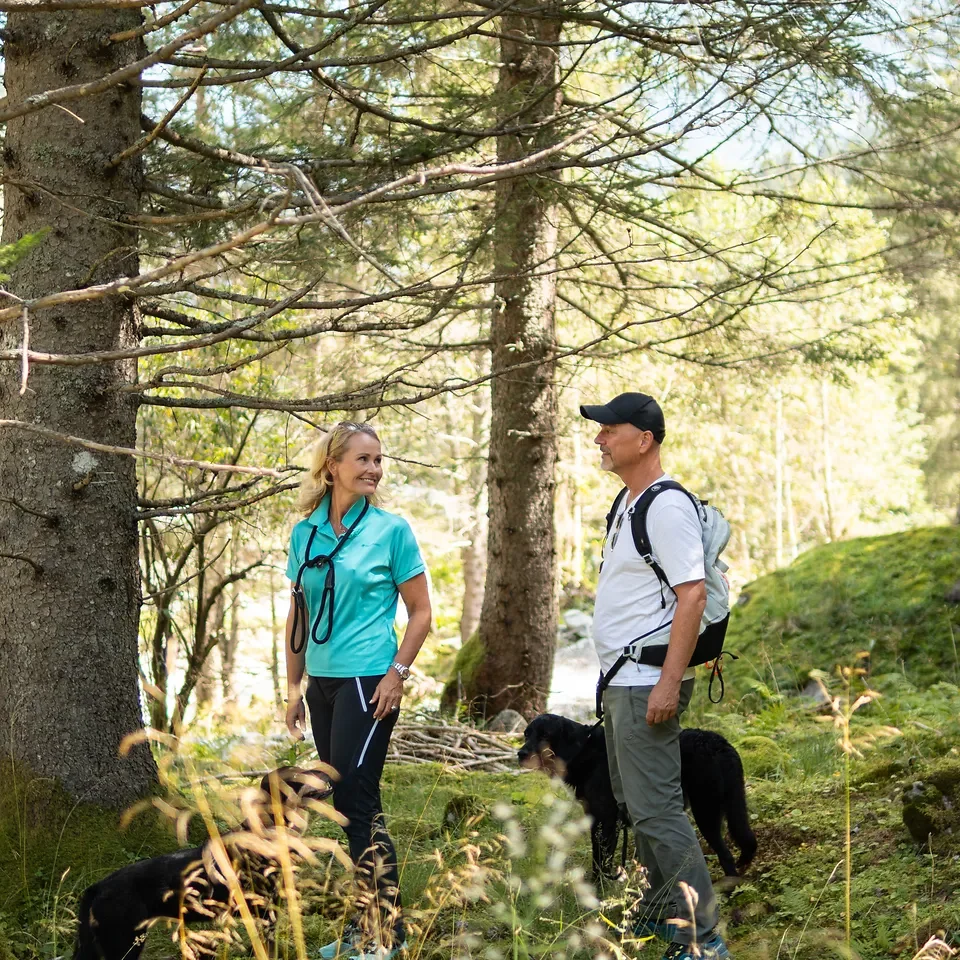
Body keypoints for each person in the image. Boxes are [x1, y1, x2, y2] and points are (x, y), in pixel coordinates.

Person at [580, 393, 731, 960]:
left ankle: (704, 938)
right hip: (624, 679)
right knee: (635, 800)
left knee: (658, 808)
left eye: (608, 429)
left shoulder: (665, 506)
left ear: (643, 439)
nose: (599, 439)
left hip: (647, 679)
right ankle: (668, 915)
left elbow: (690, 595)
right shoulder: (628, 500)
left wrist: (669, 682)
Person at [284, 421, 431, 960]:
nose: (373, 468)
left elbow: (421, 613)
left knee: (354, 796)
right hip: (321, 682)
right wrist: (294, 687)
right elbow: (297, 614)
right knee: (346, 804)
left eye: (378, 459)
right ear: (332, 467)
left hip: (369, 678)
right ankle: (367, 925)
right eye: (363, 459)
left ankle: (383, 934)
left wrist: (398, 672)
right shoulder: (306, 533)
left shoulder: (392, 531)